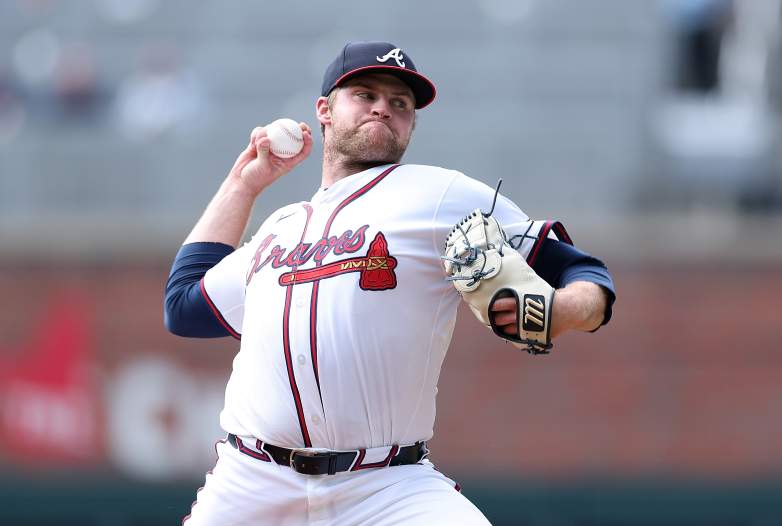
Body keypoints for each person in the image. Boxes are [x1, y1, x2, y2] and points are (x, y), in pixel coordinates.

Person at [164, 41, 616, 526]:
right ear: (324, 111)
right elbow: (184, 307)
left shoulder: (441, 195)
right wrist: (244, 184)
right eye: (365, 94)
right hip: (252, 483)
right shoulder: (280, 228)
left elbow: (584, 273)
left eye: (400, 103)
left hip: (386, 486)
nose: (383, 107)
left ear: (411, 124)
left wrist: (567, 309)